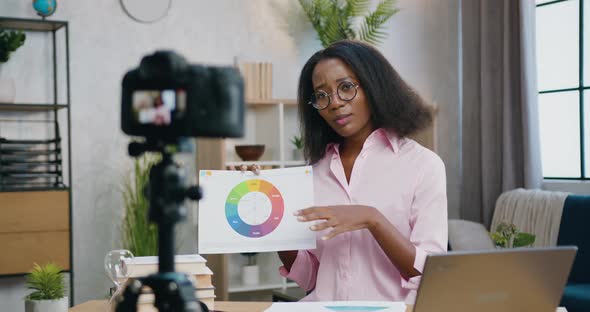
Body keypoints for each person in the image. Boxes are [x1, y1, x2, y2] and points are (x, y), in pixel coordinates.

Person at [241, 39, 447, 304]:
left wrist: (372, 219)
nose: (335, 103)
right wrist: (272, 219)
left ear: (374, 87)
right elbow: (311, 276)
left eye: (346, 87)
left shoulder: (423, 165)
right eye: (322, 95)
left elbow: (430, 272)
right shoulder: (314, 173)